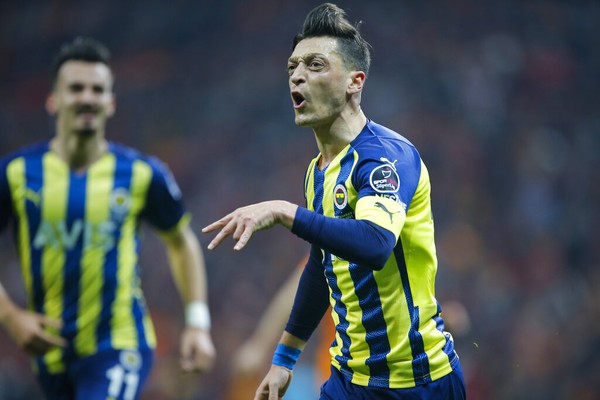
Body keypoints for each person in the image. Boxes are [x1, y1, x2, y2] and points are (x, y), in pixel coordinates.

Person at [203, 3, 465, 399]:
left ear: (354, 82)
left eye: (315, 65)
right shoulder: (318, 172)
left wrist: (284, 211)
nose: (297, 76)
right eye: (292, 66)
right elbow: (320, 267)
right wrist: (283, 359)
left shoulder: (385, 156)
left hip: (419, 381)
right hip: (347, 380)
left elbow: (376, 245)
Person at [0, 37, 216, 399]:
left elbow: (182, 241)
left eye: (97, 89)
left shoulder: (141, 174)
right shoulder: (17, 174)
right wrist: (10, 317)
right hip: (49, 354)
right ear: (52, 100)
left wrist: (197, 323)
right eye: (76, 88)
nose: (87, 97)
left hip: (120, 343)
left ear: (111, 102)